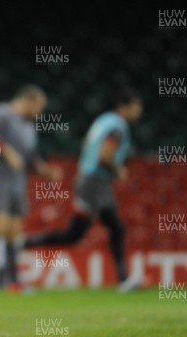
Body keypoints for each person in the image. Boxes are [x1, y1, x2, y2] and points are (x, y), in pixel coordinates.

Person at [22, 89, 143, 292]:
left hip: (90, 180)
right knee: (99, 230)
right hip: (94, 182)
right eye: (136, 107)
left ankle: (124, 279)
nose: (138, 112)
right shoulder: (118, 128)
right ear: (126, 107)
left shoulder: (104, 120)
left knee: (89, 231)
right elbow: (105, 156)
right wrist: (118, 170)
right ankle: (123, 279)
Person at [0, 85, 62, 291]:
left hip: (18, 185)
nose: (39, 113)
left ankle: (14, 281)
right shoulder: (1, 114)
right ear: (29, 101)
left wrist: (47, 172)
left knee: (13, 232)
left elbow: (31, 159)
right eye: (39, 107)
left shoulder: (27, 126)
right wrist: (8, 153)